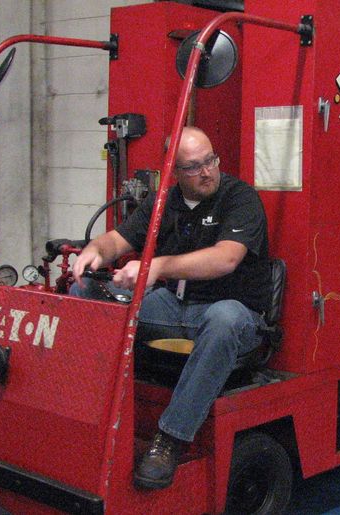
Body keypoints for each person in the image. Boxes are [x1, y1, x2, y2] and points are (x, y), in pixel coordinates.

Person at [71, 126, 271, 490]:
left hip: (234, 317)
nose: (207, 171)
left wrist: (156, 267)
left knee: (224, 318)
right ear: (173, 172)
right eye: (194, 167)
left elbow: (226, 259)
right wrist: (96, 251)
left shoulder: (239, 198)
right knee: (82, 291)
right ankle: (85, 412)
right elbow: (120, 238)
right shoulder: (164, 201)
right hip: (175, 307)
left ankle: (170, 439)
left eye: (211, 160)